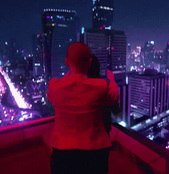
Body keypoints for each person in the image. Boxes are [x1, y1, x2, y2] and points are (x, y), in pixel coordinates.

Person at [47, 42, 119, 174]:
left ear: (66, 62)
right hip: (94, 153)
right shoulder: (100, 86)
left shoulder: (54, 87)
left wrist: (69, 76)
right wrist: (112, 80)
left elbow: (52, 97)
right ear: (90, 61)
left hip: (62, 153)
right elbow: (114, 97)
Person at [87, 54, 121, 136]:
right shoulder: (102, 87)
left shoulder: (75, 87)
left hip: (80, 140)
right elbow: (116, 110)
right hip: (102, 138)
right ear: (98, 69)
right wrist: (112, 80)